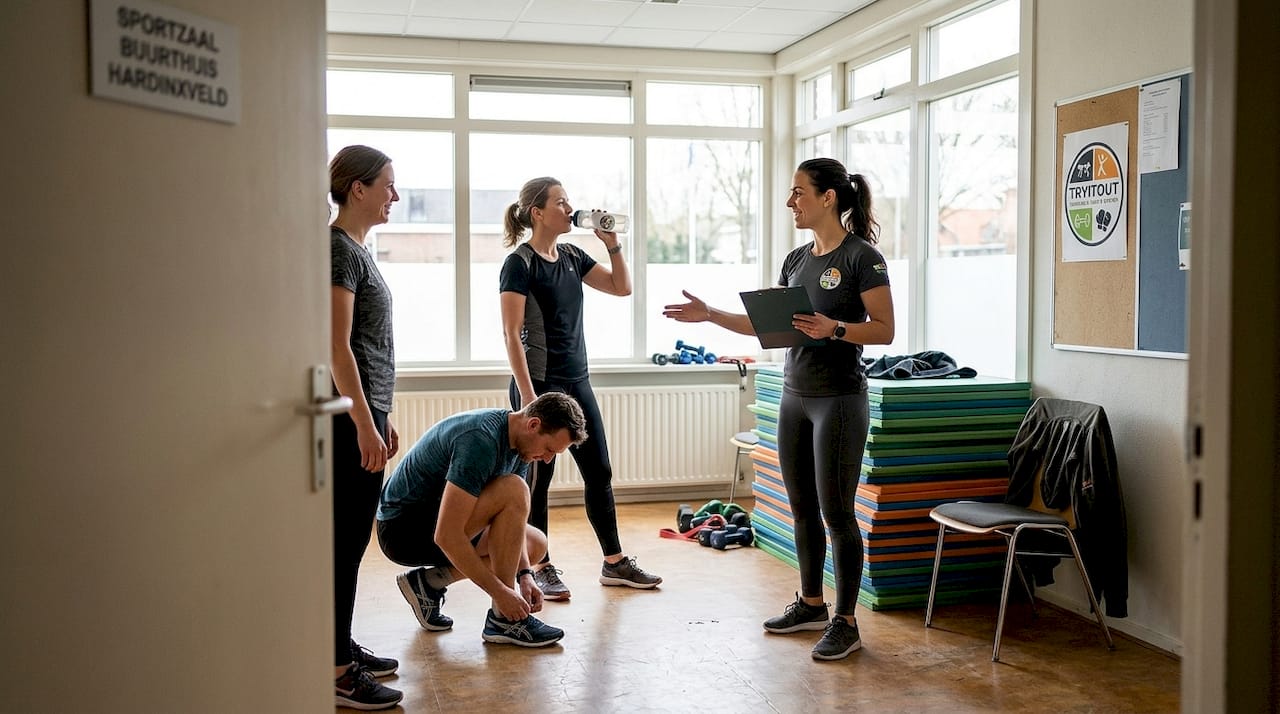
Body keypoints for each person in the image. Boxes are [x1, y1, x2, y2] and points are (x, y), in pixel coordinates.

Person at [663, 158, 894, 661]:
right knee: (803, 509)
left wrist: (833, 328)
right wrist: (711, 316)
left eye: (798, 193)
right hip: (794, 395)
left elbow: (884, 329)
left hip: (839, 399)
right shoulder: (796, 260)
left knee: (837, 513)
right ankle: (811, 603)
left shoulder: (862, 257)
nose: (791, 202)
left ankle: (846, 621)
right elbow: (769, 327)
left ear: (828, 198)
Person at [498, 177, 662, 600]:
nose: (569, 208)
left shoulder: (571, 255)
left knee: (599, 470)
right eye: (561, 201)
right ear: (537, 212)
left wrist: (612, 243)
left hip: (577, 381)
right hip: (539, 386)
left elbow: (621, 287)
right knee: (538, 481)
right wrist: (529, 395)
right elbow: (511, 334)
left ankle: (614, 562)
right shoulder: (520, 263)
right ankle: (540, 565)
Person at [377, 392, 587, 647]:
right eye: (549, 449)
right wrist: (501, 593)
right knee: (514, 489)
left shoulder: (519, 445)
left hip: (434, 521)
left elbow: (512, 521)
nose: (547, 458)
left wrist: (524, 575)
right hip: (402, 530)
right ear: (534, 425)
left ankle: (428, 583)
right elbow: (446, 535)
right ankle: (503, 621)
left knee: (535, 545)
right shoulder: (481, 440)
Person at [329, 144, 404, 709]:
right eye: (387, 186)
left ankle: (338, 646)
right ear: (358, 189)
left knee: (351, 544)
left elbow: (367, 346)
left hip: (368, 409)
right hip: (351, 415)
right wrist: (361, 421)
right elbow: (337, 347)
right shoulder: (338, 251)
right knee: (344, 542)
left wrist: (381, 417)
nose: (394, 197)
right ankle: (335, 669)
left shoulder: (356, 251)